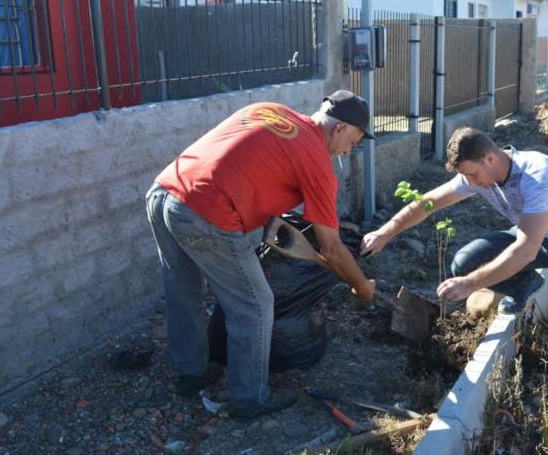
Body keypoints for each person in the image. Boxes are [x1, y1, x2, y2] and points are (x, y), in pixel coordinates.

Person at [360, 128, 548, 423]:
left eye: (473, 175)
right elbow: (428, 203)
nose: (472, 183)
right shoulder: (477, 174)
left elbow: (526, 250)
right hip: (528, 236)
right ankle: (526, 284)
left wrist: (470, 284)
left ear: (489, 158)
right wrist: (384, 233)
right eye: (468, 178)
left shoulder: (537, 174)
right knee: (464, 261)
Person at [146, 90, 376, 419]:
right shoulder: (317, 163)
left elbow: (248, 164)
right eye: (354, 141)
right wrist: (361, 285)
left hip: (163, 191)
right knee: (255, 305)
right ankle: (250, 399)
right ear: (339, 129)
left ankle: (192, 374)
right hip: (205, 213)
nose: (349, 149)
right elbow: (333, 248)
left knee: (182, 290)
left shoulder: (272, 110)